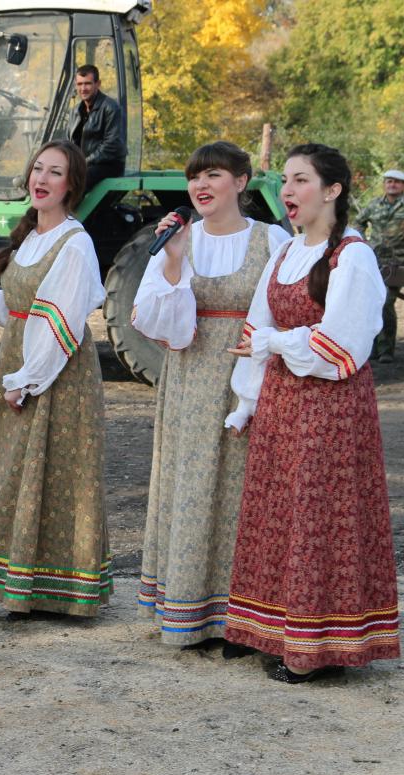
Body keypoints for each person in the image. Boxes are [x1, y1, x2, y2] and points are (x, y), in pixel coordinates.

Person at [223, 144, 400, 681]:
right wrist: (245, 400)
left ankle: (319, 649)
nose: (288, 191)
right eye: (285, 181)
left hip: (330, 405)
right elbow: (255, 331)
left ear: (332, 190)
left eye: (300, 180)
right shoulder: (286, 253)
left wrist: (275, 343)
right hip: (281, 400)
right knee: (276, 512)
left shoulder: (354, 255)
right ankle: (266, 629)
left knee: (318, 520)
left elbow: (341, 344)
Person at [131, 142, 291, 650]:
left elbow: (291, 308)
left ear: (242, 182)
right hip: (191, 378)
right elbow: (154, 320)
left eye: (213, 176)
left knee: (247, 490)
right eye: (194, 178)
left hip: (255, 372)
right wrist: (175, 263)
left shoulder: (274, 241)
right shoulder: (180, 241)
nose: (200, 186)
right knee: (195, 487)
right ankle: (192, 609)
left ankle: (246, 615)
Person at [0, 140, 111, 617]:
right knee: (20, 470)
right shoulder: (29, 238)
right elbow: (23, 310)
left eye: (55, 172)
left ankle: (58, 590)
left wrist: (28, 378)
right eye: (37, 169)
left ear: (72, 185)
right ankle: (22, 582)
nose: (41, 179)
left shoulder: (75, 241)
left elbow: (61, 320)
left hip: (56, 372)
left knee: (56, 471)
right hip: (25, 362)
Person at [355, 168, 404, 363]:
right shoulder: (374, 204)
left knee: (386, 302)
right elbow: (359, 222)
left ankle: (386, 350)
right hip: (374, 262)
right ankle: (373, 347)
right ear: (384, 184)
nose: (392, 184)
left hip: (398, 263)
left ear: (403, 186)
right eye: (389, 181)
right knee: (372, 303)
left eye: (397, 182)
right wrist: (362, 240)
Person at [65, 65, 125, 189]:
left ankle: (67, 208)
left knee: (77, 180)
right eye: (80, 84)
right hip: (85, 165)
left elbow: (111, 146)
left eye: (87, 84)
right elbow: (69, 143)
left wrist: (84, 162)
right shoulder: (75, 111)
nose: (83, 88)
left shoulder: (111, 108)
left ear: (98, 84)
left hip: (108, 165)